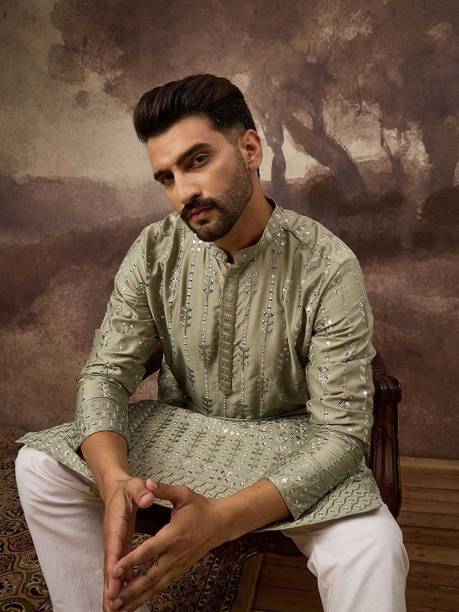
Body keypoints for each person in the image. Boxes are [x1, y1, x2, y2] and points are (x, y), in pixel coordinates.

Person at [15, 73, 409, 612]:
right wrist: (113, 483)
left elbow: (342, 435)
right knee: (39, 467)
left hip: (291, 451)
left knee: (374, 547)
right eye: (167, 177)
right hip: (183, 435)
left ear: (249, 148)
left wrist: (219, 520)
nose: (184, 193)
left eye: (197, 161)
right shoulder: (155, 250)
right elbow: (105, 374)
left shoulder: (328, 264)